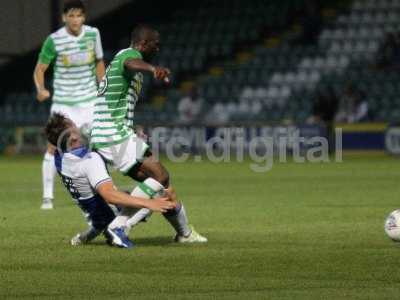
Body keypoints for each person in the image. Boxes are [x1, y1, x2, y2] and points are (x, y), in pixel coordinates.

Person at [91, 24, 207, 246]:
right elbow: (131, 62)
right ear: (143, 44)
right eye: (155, 45)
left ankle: (184, 233)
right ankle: (119, 226)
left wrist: (132, 128)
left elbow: (117, 101)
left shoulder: (127, 65)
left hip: (112, 132)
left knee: (160, 186)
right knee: (160, 175)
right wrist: (153, 69)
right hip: (112, 133)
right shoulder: (129, 55)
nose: (158, 49)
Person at [44, 113, 174, 247]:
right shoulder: (89, 160)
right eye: (73, 125)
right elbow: (109, 195)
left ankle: (84, 237)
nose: (77, 126)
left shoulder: (59, 157)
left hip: (93, 216)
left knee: (111, 202)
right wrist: (148, 203)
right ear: (73, 137)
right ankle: (119, 227)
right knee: (157, 187)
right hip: (110, 213)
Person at [33, 0, 105, 210]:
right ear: (64, 17)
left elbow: (99, 63)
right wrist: (40, 89)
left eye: (79, 15)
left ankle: (98, 189)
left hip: (89, 100)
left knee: (97, 144)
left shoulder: (93, 34)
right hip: (64, 102)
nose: (75, 20)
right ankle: (47, 197)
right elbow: (40, 69)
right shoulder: (54, 40)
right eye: (71, 16)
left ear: (84, 17)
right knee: (53, 146)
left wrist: (104, 89)